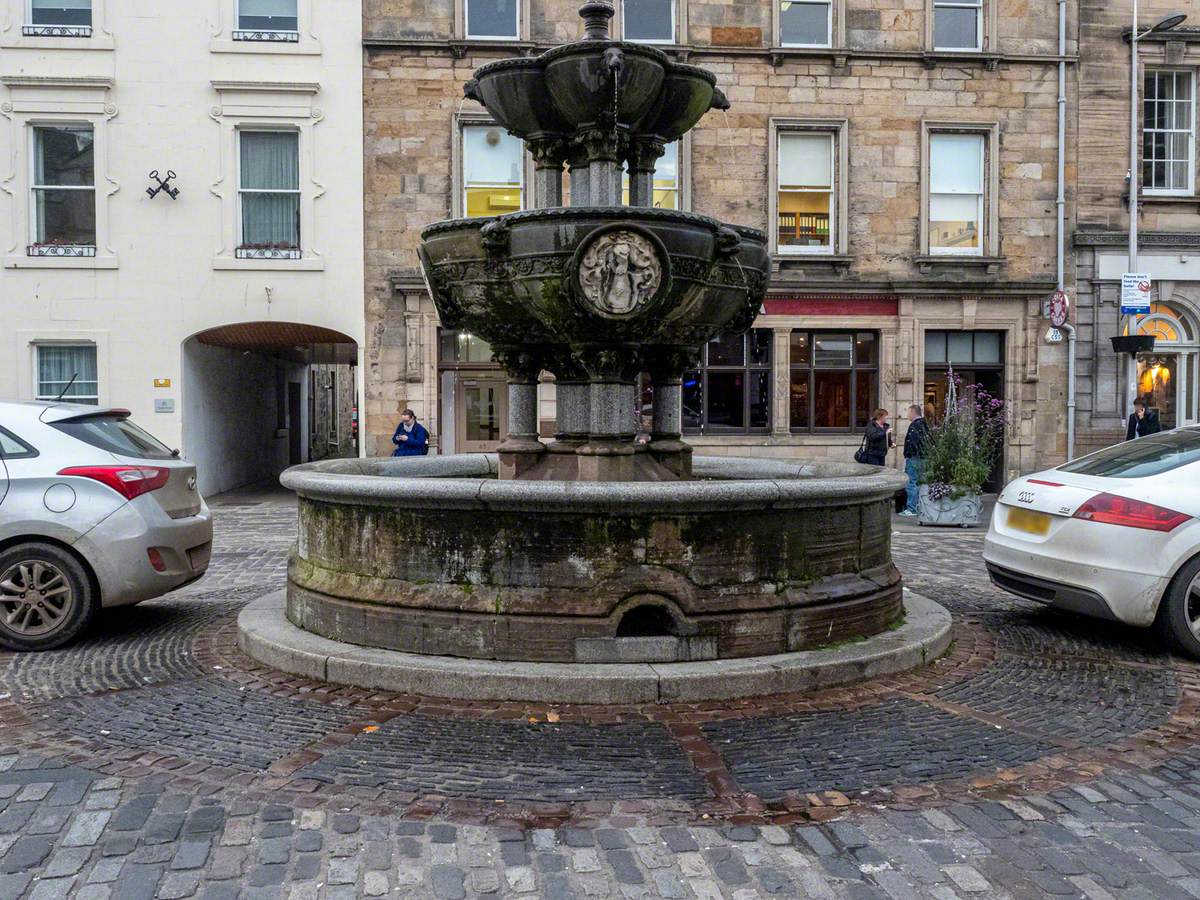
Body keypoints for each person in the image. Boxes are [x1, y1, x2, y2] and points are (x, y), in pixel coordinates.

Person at [899, 404, 930, 517]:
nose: (907, 415)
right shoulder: (924, 424)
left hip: (914, 457)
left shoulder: (914, 426)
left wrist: (908, 454)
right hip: (923, 457)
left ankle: (912, 508)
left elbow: (912, 442)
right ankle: (919, 506)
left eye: (908, 412)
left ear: (913, 413)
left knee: (911, 482)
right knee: (920, 482)